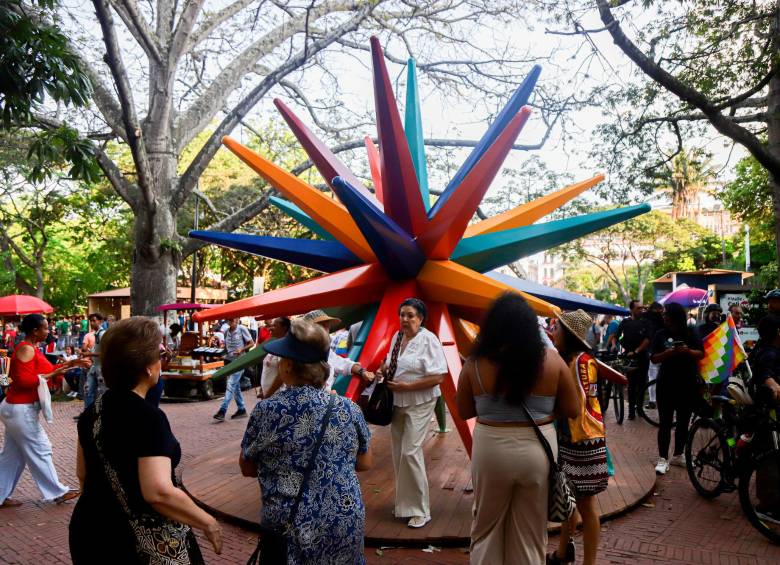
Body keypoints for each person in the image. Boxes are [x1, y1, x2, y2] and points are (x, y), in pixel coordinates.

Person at [69, 317, 221, 563]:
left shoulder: (92, 412)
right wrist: (208, 522)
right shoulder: (149, 418)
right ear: (147, 367)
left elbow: (83, 474)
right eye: (161, 354)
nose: (164, 361)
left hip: (90, 530)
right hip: (135, 542)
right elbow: (158, 492)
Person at [456, 293, 578, 564]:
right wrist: (544, 411)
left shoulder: (474, 364)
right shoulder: (552, 360)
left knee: (486, 526)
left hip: (491, 448)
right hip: (538, 448)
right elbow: (572, 410)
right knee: (531, 531)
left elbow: (464, 411)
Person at [240, 319, 372, 563]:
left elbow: (247, 467)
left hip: (287, 527)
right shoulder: (348, 409)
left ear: (288, 366)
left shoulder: (267, 411)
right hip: (341, 522)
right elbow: (364, 463)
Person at [362, 298, 447, 529]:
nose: (405, 319)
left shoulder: (428, 340)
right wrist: (383, 369)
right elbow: (392, 363)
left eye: (410, 315)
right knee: (400, 452)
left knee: (410, 452)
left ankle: (421, 510)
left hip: (420, 401)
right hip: (396, 402)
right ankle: (406, 506)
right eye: (402, 315)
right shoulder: (397, 338)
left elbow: (439, 376)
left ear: (421, 318)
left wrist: (407, 387)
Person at [0, 314, 87, 508]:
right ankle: (57, 492)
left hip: (16, 408)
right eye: (46, 328)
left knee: (12, 457)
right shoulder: (26, 349)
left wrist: (72, 364)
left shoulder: (31, 349)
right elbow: (23, 381)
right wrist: (52, 374)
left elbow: (46, 371)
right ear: (35, 331)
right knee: (41, 449)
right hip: (19, 409)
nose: (49, 332)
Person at [547, 309, 609, 565]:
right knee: (568, 498)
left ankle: (589, 562)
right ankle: (563, 552)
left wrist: (550, 412)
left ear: (569, 334)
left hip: (584, 440)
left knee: (587, 506)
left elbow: (580, 404)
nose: (553, 333)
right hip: (572, 438)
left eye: (558, 329)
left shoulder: (582, 362)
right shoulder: (570, 359)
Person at [650, 302, 704, 475]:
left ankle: (678, 454)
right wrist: (669, 353)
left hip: (687, 383)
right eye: (663, 314)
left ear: (675, 316)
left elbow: (701, 353)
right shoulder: (660, 334)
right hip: (666, 383)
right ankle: (662, 459)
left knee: (683, 422)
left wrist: (687, 351)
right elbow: (654, 359)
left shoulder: (691, 332)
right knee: (665, 422)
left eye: (667, 314)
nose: (664, 316)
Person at [303, 310, 370, 390]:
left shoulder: (325, 351)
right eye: (322, 326)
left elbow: (343, 363)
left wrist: (362, 371)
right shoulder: (298, 352)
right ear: (309, 330)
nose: (326, 330)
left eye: (327, 326)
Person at [610, 300, 651, 419]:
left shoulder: (646, 322)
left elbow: (648, 339)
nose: (641, 310)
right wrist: (613, 345)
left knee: (642, 384)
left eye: (642, 308)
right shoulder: (625, 322)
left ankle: (639, 408)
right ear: (632, 309)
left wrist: (637, 351)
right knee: (632, 384)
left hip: (642, 356)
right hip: (629, 357)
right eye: (638, 308)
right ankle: (631, 411)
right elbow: (615, 336)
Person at [213, 318, 255, 421]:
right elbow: (227, 348)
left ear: (237, 319)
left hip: (239, 362)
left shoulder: (242, 329)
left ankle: (222, 410)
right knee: (235, 386)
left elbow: (251, 343)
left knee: (231, 384)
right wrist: (220, 351)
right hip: (229, 361)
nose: (232, 322)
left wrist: (241, 349)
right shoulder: (227, 331)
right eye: (229, 320)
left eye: (233, 320)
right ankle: (241, 409)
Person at [258, 316, 290, 399]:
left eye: (274, 326)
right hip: (269, 395)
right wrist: (262, 389)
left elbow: (282, 375)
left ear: (284, 328)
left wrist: (268, 394)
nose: (270, 329)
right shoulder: (276, 344)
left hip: (277, 396)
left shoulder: (285, 347)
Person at [81, 313, 107, 411]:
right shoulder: (95, 334)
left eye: (94, 320)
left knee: (102, 392)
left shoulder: (102, 334)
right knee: (87, 389)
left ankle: (101, 414)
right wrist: (85, 352)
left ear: (100, 321)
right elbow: (94, 350)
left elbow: (105, 352)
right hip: (94, 367)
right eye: (91, 321)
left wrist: (89, 355)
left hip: (101, 368)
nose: (92, 323)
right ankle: (88, 413)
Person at [643, 302, 665, 410]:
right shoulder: (664, 319)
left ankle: (652, 401)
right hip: (666, 351)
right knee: (666, 377)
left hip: (652, 351)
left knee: (652, 377)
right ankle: (665, 400)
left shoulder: (646, 318)